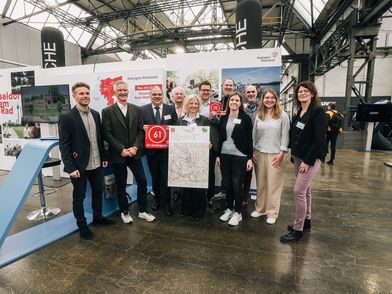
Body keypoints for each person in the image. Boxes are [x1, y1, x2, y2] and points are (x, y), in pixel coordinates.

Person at [59, 82, 115, 240]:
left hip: (97, 163)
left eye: (87, 93)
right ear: (74, 96)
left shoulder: (96, 114)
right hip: (78, 167)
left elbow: (99, 139)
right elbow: (64, 145)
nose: (85, 96)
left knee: (98, 191)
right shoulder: (66, 117)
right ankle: (82, 226)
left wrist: (104, 158)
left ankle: (97, 218)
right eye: (81, 93)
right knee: (79, 197)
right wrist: (70, 167)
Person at [102, 80, 155, 224]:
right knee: (121, 184)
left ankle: (143, 210)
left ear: (128, 91)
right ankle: (124, 212)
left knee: (142, 181)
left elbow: (140, 131)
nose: (123, 92)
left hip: (134, 153)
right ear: (115, 92)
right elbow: (107, 133)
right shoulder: (107, 111)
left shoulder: (137, 110)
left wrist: (135, 147)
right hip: (118, 155)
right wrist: (121, 149)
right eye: (120, 90)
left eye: (125, 90)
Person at [280, 81, 327, 242]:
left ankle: (298, 228)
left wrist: (308, 161)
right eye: (299, 92)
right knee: (306, 190)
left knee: (298, 191)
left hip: (310, 159)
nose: (302, 94)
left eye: (306, 91)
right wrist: (294, 154)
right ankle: (307, 220)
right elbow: (297, 135)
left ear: (312, 94)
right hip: (299, 156)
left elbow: (320, 139)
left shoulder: (318, 111)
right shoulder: (300, 110)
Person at [251, 89, 290, 224]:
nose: (269, 100)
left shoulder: (282, 115)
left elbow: (285, 135)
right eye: (266, 98)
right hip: (259, 153)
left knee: (273, 184)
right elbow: (254, 134)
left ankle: (272, 212)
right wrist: (252, 151)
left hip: (275, 154)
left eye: (272, 98)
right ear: (262, 100)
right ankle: (260, 208)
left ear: (276, 99)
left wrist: (282, 153)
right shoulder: (259, 115)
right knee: (261, 183)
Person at [216, 92, 253, 226]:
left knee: (237, 184)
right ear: (228, 102)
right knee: (227, 184)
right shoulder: (224, 118)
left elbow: (249, 139)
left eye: (237, 100)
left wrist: (249, 158)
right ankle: (229, 209)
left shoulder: (246, 118)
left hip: (240, 156)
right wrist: (218, 155)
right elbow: (220, 138)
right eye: (232, 100)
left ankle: (238, 213)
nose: (234, 102)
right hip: (225, 155)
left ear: (240, 103)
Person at [141, 86, 178, 216]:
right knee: (155, 178)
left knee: (166, 179)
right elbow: (139, 129)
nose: (157, 96)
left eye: (159, 94)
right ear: (150, 96)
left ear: (162, 96)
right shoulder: (143, 110)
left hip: (166, 151)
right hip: (151, 152)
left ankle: (167, 204)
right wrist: (143, 128)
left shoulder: (170, 109)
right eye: (154, 94)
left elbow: (175, 128)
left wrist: (171, 136)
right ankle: (157, 201)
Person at [177, 94, 210, 220]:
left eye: (196, 103)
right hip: (184, 157)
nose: (193, 105)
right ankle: (186, 210)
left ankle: (198, 212)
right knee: (185, 184)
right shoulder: (180, 120)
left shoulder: (204, 120)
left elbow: (208, 137)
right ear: (187, 105)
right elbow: (178, 137)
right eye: (191, 103)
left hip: (199, 157)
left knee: (198, 185)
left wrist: (209, 143)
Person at [198, 81, 220, 207]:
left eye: (208, 90)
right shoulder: (194, 104)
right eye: (203, 90)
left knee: (210, 172)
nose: (206, 92)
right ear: (199, 91)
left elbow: (222, 124)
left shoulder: (216, 105)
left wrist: (215, 118)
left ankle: (210, 196)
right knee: (197, 171)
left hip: (211, 144)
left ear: (211, 91)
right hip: (197, 143)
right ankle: (199, 196)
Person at [243, 85, 259, 205]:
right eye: (248, 92)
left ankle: (263, 200)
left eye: (253, 91)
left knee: (261, 174)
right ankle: (244, 196)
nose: (251, 94)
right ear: (245, 94)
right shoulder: (243, 109)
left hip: (260, 146)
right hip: (246, 144)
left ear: (257, 92)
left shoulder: (263, 107)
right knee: (246, 172)